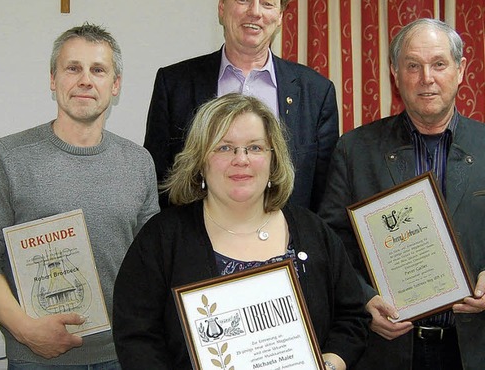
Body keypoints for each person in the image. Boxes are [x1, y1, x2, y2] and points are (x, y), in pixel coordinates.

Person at [114, 93, 368, 370]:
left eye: (255, 148)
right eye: (224, 148)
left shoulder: (313, 230)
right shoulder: (162, 239)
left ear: (273, 160)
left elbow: (352, 318)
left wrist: (329, 365)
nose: (241, 159)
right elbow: (137, 336)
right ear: (200, 160)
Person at [0, 23, 160, 369]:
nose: (85, 80)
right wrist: (25, 329)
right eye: (73, 68)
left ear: (115, 85)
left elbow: (151, 262)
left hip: (120, 354)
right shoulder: (7, 157)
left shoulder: (139, 163)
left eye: (98, 70)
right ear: (53, 80)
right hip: (35, 357)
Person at [318, 18, 485, 370]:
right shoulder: (356, 150)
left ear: (460, 70)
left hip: (473, 347)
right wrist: (365, 300)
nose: (426, 78)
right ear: (395, 73)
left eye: (439, 64)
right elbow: (332, 242)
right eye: (413, 65)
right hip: (387, 349)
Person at [144, 0, 338, 210]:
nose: (255, 12)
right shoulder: (174, 84)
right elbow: (157, 182)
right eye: (243, 0)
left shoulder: (316, 92)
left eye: (267, 4)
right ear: (222, 7)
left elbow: (324, 194)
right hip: (196, 243)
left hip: (284, 243)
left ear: (280, 16)